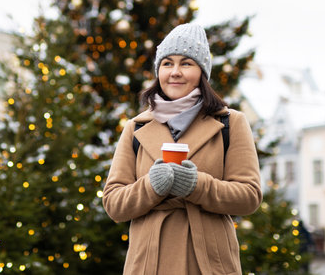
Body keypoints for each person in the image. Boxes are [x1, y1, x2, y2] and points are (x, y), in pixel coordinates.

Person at [102, 23, 262, 275]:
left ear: (202, 72)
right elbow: (113, 203)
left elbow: (249, 196)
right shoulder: (135, 127)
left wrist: (196, 185)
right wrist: (151, 186)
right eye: (167, 63)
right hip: (149, 264)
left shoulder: (230, 123)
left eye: (186, 63)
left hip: (207, 264)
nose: (175, 72)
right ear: (158, 71)